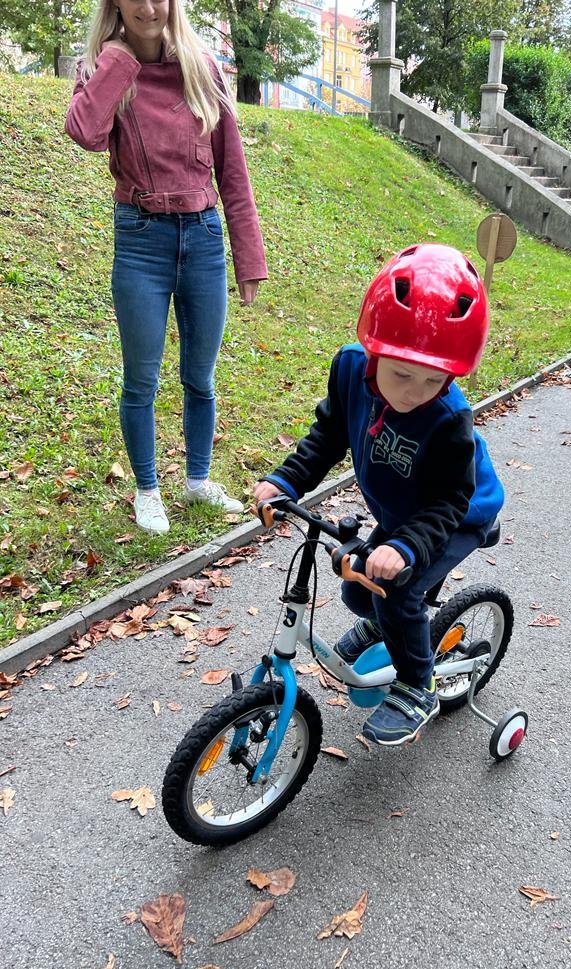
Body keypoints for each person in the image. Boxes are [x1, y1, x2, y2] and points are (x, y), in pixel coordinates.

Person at [253, 244, 505, 746]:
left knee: (397, 592)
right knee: (358, 590)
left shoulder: (449, 418)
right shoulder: (351, 370)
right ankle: (390, 629)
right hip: (401, 504)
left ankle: (418, 686)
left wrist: (405, 546)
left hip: (456, 514)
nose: (414, 392)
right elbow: (329, 436)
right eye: (402, 374)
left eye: (434, 380)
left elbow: (450, 500)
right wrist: (286, 481)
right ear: (373, 349)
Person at [65, 0, 267, 534]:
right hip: (141, 241)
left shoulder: (203, 68)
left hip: (203, 239)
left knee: (200, 377)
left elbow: (232, 170)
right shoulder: (102, 68)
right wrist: (119, 61)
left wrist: (248, 257)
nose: (150, 7)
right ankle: (147, 489)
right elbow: (84, 132)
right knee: (141, 380)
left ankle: (198, 480)